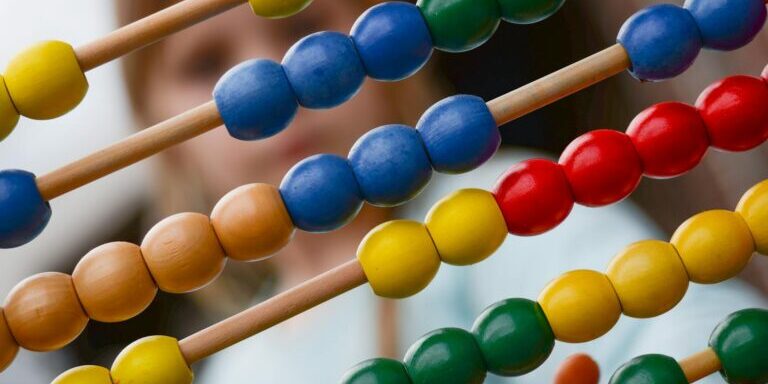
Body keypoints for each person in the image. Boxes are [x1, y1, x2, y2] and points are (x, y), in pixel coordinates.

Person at [60, 0, 767, 383]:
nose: (272, 86)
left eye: (304, 31)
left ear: (387, 49)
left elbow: (704, 325)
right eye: (206, 64)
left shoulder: (499, 210)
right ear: (162, 132)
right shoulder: (220, 366)